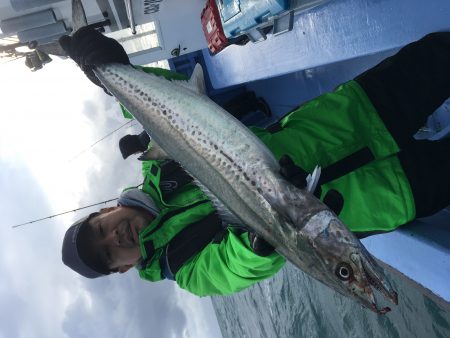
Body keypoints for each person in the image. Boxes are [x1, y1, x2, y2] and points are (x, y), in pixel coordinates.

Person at [61, 27, 450, 296]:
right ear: (124, 268)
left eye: (101, 231)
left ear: (107, 210)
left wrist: (111, 72)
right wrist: (256, 246)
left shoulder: (159, 165)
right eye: (109, 255)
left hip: (350, 115)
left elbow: (164, 102)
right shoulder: (184, 267)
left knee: (440, 56)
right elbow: (232, 268)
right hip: (389, 195)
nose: (114, 239)